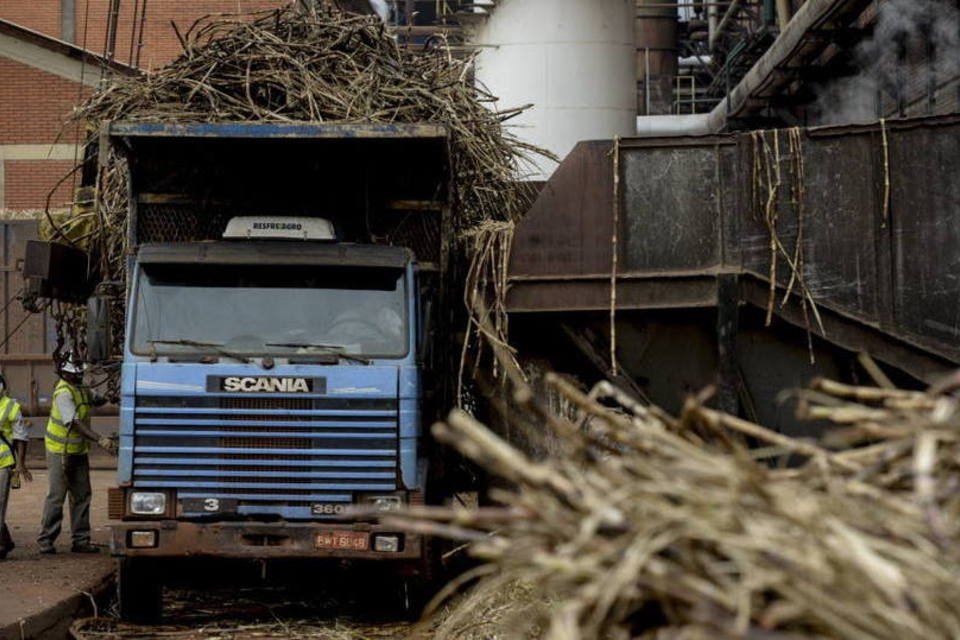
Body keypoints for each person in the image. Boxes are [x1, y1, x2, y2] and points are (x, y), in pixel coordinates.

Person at [37, 358, 113, 554]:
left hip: (78, 452)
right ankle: (46, 540)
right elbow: (75, 424)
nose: (80, 376)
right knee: (57, 496)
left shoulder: (81, 388)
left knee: (82, 495)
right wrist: (100, 440)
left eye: (81, 373)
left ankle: (81, 540)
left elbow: (96, 398)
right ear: (65, 373)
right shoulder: (63, 393)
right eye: (76, 373)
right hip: (59, 452)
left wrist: (112, 395)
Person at [0, 373, 31, 560]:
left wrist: (20, 464)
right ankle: (5, 541)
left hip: (3, 463)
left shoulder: (11, 406)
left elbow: (21, 437)